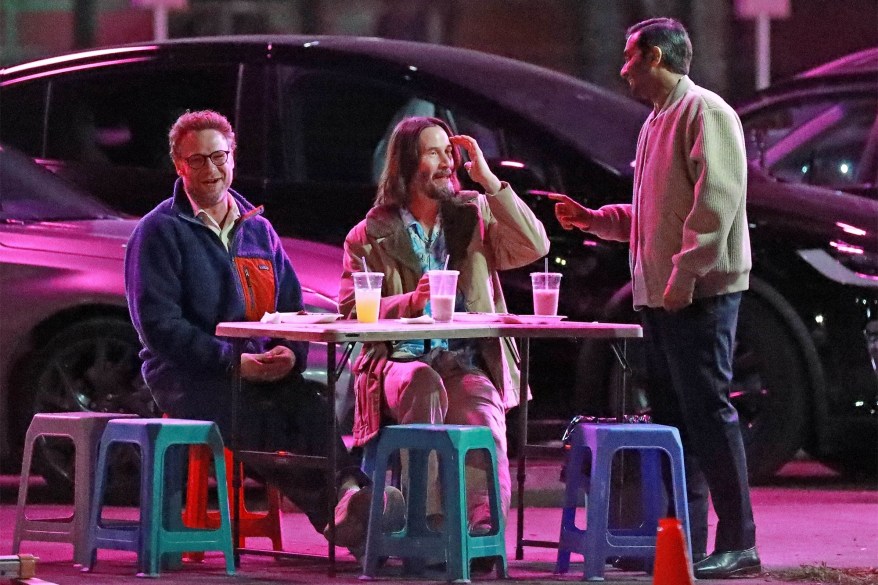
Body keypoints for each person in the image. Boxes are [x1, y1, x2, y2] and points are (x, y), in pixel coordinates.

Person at [124, 109, 402, 548]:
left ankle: (350, 498)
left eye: (219, 157)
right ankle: (343, 507)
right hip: (190, 378)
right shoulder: (159, 232)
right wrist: (235, 363)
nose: (211, 169)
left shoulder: (259, 230)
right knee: (258, 417)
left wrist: (290, 354)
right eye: (197, 160)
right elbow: (160, 328)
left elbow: (292, 310)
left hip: (260, 371)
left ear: (233, 157)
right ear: (178, 165)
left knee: (311, 403)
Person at [549, 18, 760, 579]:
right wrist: (598, 220)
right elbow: (655, 214)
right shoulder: (656, 123)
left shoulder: (706, 113)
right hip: (663, 297)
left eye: (630, 58)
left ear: (658, 58)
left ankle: (740, 541)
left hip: (698, 295)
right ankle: (681, 540)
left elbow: (715, 208)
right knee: (675, 420)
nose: (623, 71)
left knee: (709, 414)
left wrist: (684, 277)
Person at [337, 116, 549, 552]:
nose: (446, 162)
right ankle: (429, 527)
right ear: (407, 165)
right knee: (425, 386)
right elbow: (347, 310)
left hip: (462, 359)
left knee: (484, 412)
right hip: (398, 362)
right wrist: (409, 302)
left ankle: (480, 534)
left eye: (448, 152)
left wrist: (489, 180)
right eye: (433, 152)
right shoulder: (369, 235)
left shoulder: (474, 215)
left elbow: (534, 245)